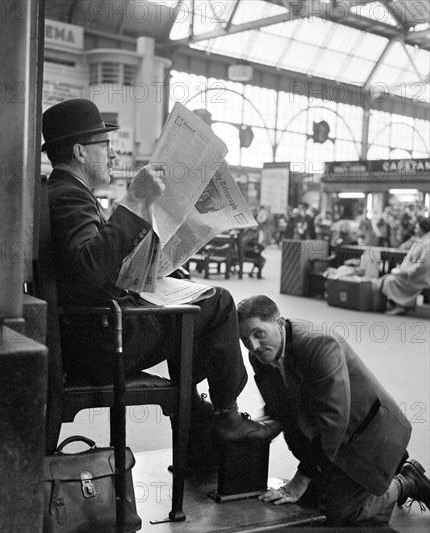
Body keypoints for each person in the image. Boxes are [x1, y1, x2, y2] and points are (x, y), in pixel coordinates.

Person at [41, 99, 279, 465]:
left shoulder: (60, 192)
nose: (112, 152)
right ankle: (225, 417)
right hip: (104, 340)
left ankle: (197, 413)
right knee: (218, 303)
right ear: (79, 151)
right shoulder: (70, 196)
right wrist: (135, 199)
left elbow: (90, 262)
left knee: (194, 298)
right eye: (103, 145)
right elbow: (89, 267)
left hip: (89, 330)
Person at [237, 295, 429, 523]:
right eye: (245, 338)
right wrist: (253, 432)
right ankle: (375, 475)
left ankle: (406, 480)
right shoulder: (259, 356)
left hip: (371, 436)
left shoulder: (319, 344)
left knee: (337, 512)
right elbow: (280, 407)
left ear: (279, 323)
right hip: (336, 440)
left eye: (258, 333)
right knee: (310, 500)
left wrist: (301, 479)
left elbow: (334, 420)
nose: (253, 345)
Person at [380, 217, 430, 315]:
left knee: (390, 281)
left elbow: (423, 265)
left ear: (422, 229)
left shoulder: (428, 243)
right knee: (386, 278)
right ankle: (399, 305)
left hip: (418, 276)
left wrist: (406, 272)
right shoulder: (422, 240)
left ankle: (402, 306)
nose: (415, 230)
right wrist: (401, 269)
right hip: (412, 273)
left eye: (417, 228)